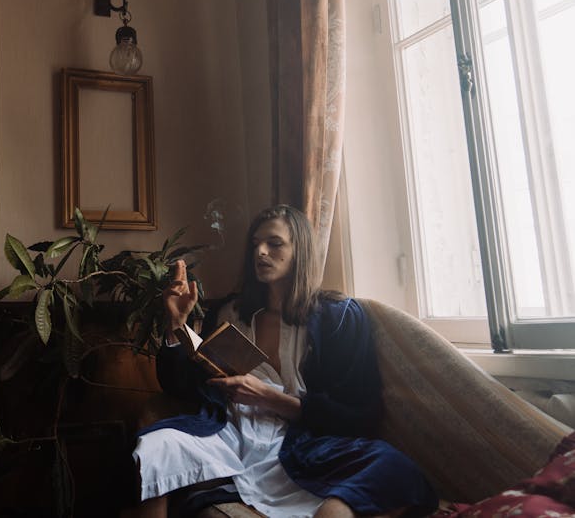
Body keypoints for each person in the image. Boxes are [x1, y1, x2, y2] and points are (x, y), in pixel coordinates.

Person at [131, 204, 438, 518]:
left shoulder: (339, 318)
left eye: (274, 243)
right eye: (255, 244)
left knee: (390, 464)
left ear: (299, 251)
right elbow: (183, 387)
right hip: (231, 436)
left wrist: (270, 398)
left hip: (305, 444)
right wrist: (176, 324)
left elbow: (359, 414)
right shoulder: (230, 314)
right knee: (157, 447)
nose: (260, 252)